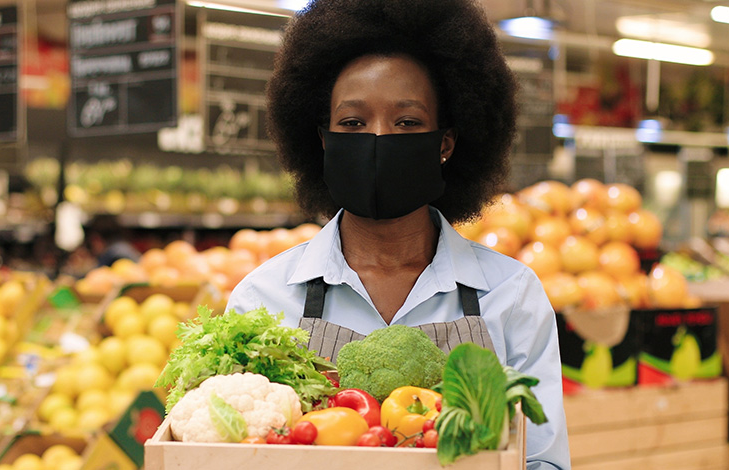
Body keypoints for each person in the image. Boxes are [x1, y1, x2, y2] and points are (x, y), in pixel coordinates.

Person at [224, 1, 570, 468]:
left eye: (406, 122)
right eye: (353, 123)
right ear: (323, 140)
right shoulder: (262, 299)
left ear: (445, 143)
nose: (378, 139)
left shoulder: (512, 295)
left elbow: (543, 460)